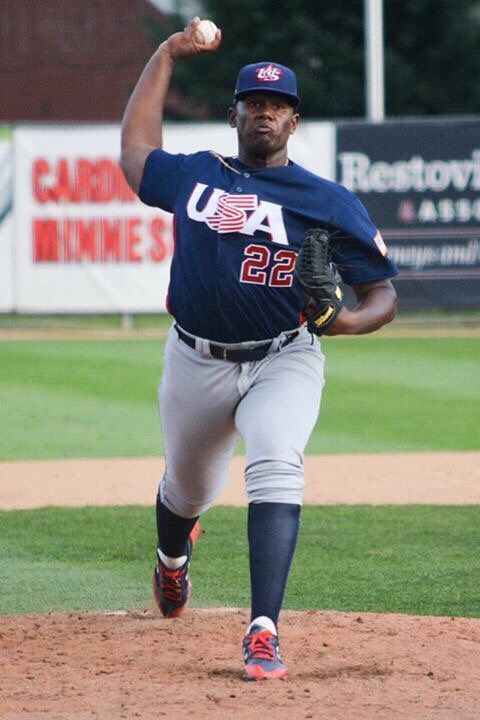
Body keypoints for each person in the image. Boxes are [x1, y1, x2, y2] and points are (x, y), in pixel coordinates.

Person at [121, 17, 398, 681]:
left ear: (294, 121)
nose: (265, 113)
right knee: (187, 490)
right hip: (195, 358)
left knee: (276, 463)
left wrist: (347, 324)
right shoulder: (197, 175)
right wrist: (165, 53)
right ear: (234, 116)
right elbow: (135, 152)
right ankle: (172, 560)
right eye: (253, 103)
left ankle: (264, 630)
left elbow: (383, 293)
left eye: (278, 105)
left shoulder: (325, 200)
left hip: (284, 356)